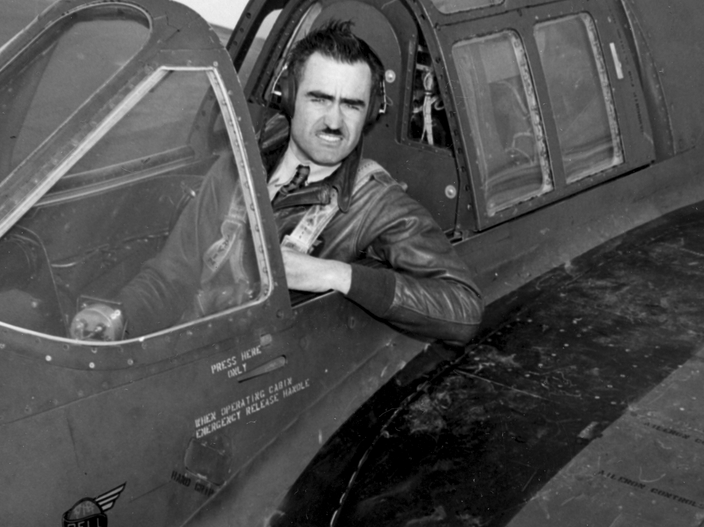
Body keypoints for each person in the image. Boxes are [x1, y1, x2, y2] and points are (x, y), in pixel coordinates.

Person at [69, 20, 481, 345]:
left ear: (370, 113)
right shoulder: (238, 170)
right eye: (319, 98)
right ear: (288, 96)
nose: (334, 122)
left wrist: (334, 275)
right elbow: (170, 276)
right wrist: (117, 318)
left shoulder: (376, 205)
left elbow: (463, 308)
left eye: (351, 105)